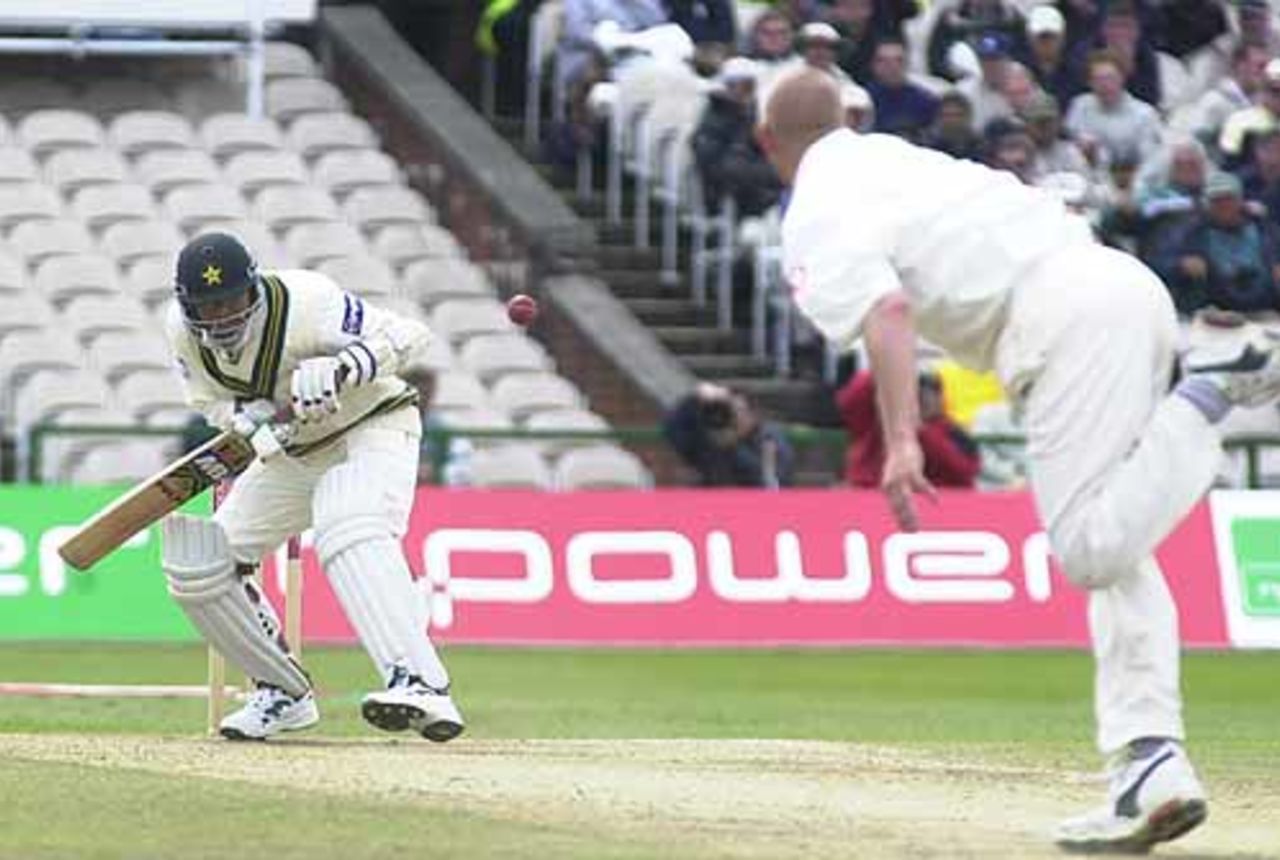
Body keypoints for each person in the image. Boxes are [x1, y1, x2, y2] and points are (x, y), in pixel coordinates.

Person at [757, 68, 1280, 853]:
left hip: (1058, 322)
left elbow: (887, 312)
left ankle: (1210, 386)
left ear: (767, 143)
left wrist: (901, 440)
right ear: (846, 116)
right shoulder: (896, 159)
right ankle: (1151, 761)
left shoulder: (817, 209)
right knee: (1119, 549)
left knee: (1089, 547)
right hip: (1118, 286)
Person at [162, 232, 465, 742]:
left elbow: (411, 336)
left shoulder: (309, 301)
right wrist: (246, 419)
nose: (221, 319)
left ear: (254, 290)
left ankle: (420, 684)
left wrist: (342, 366)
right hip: (294, 449)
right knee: (201, 561)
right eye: (207, 308)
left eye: (231, 302)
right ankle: (281, 692)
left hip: (373, 424)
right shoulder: (182, 333)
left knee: (347, 520)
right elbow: (207, 400)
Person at [837, 369, 980, 488]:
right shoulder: (875, 423)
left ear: (941, 398)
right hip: (873, 496)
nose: (924, 398)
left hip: (936, 504)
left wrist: (919, 430)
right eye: (918, 391)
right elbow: (851, 400)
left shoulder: (954, 432)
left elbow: (963, 473)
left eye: (932, 391)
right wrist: (886, 369)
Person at [1165, 172, 1280, 315]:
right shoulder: (1191, 234)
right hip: (1214, 312)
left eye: (1229, 199)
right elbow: (1161, 264)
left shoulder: (1266, 229)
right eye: (1216, 200)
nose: (1224, 205)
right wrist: (1181, 265)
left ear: (1240, 200)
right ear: (1207, 204)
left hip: (1267, 310)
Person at [692, 57, 784, 216]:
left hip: (762, 193)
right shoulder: (713, 118)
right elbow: (714, 163)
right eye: (735, 85)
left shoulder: (758, 115)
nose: (741, 92)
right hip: (726, 199)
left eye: (748, 86)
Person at [663, 383, 794, 487]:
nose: (733, 418)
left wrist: (734, 447)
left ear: (753, 414)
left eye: (738, 412)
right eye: (729, 412)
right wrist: (693, 399)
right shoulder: (713, 438)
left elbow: (771, 483)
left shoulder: (769, 438)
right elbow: (672, 430)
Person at [1065, 49, 1164, 168]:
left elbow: (1150, 160)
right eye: (1098, 79)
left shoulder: (1145, 114)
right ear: (1089, 82)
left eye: (1110, 78)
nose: (1105, 85)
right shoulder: (1079, 106)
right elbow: (1076, 147)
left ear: (1122, 78)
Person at [866, 37, 938, 139]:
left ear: (908, 64)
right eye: (883, 61)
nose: (892, 66)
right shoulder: (863, 99)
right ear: (873, 65)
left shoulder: (926, 101)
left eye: (899, 60)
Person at [920, 89, 983, 160]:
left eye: (957, 115)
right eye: (947, 115)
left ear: (967, 116)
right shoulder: (926, 143)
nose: (952, 120)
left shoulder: (977, 144)